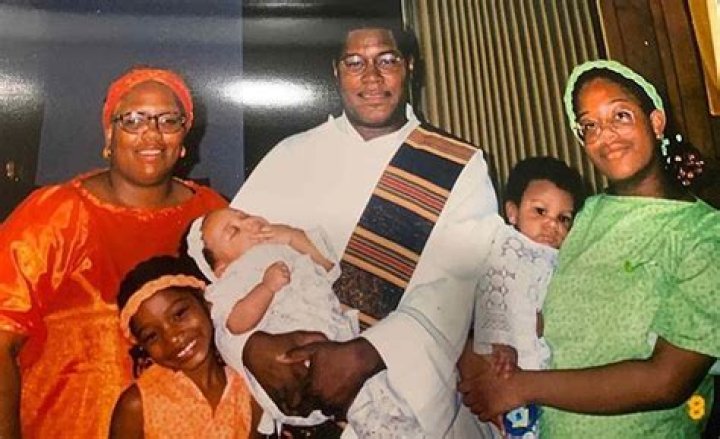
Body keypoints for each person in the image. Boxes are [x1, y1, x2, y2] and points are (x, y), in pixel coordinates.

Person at [229, 24, 537, 438]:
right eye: (355, 63)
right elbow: (228, 263)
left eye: (386, 60)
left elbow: (457, 286)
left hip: (405, 404)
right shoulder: (290, 155)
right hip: (292, 405)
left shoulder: (458, 165)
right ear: (336, 71)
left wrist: (365, 354)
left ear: (409, 66)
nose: (372, 77)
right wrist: (248, 345)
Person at [459, 59, 720, 438]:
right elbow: (541, 307)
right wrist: (487, 352)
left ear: (656, 122)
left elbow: (667, 381)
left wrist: (519, 386)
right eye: (590, 126)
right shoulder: (583, 216)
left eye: (620, 115)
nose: (606, 135)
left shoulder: (704, 234)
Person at [0, 67, 227, 438]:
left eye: (168, 120)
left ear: (184, 135)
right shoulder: (57, 214)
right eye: (134, 120)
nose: (152, 133)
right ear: (109, 134)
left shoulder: (213, 215)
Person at [185, 207, 424, 437]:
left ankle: (405, 428)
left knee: (381, 390)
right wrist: (266, 288)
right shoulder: (233, 278)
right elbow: (236, 323)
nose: (248, 223)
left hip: (334, 336)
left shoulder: (282, 246)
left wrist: (290, 236)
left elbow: (328, 265)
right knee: (358, 399)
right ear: (221, 268)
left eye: (244, 216)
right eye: (234, 231)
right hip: (293, 358)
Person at [471, 157, 586, 438]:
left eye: (563, 218)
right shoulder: (509, 247)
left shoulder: (560, 257)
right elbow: (493, 291)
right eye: (540, 211)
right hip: (510, 356)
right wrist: (500, 340)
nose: (551, 225)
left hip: (543, 364)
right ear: (513, 213)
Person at [109, 255, 257, 439]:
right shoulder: (138, 405)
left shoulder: (248, 385)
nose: (172, 338)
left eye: (179, 314)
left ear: (204, 302)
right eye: (152, 336)